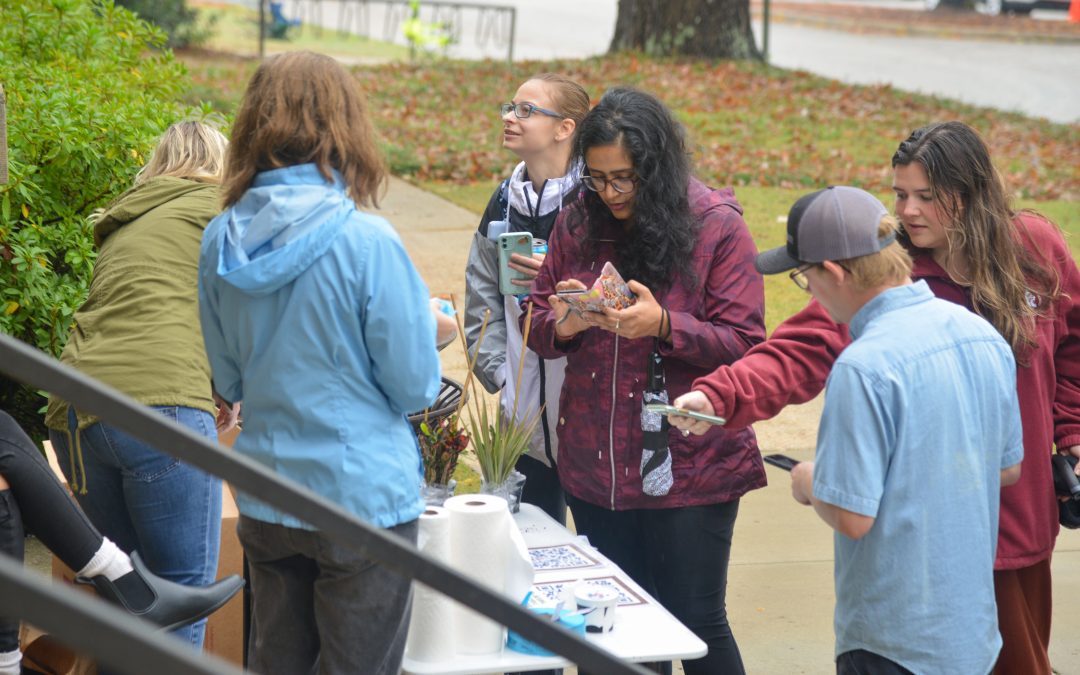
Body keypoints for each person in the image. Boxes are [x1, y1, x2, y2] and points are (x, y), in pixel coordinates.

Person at [674, 121, 1080, 674]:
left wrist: (1071, 433)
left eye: (927, 197)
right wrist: (719, 394)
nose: (908, 211)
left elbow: (1073, 344)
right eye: (899, 194)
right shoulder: (889, 274)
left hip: (1019, 519)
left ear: (972, 193)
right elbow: (798, 348)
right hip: (929, 545)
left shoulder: (1036, 247)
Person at [197, 51, 441, 675]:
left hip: (269, 494)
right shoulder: (368, 240)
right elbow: (416, 386)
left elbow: (227, 380)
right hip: (362, 501)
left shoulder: (220, 238)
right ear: (345, 126)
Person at [526, 87, 767, 675]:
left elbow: (746, 343)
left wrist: (663, 325)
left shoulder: (716, 226)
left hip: (690, 469)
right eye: (599, 178)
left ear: (657, 169)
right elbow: (537, 320)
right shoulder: (580, 217)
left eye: (625, 179)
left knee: (694, 621)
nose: (610, 194)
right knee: (617, 631)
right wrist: (564, 324)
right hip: (595, 463)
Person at [764, 185, 1024, 673]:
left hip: (892, 641)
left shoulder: (862, 367)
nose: (811, 293)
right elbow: (1007, 468)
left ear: (834, 273)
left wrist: (809, 483)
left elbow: (852, 516)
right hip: (972, 634)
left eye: (804, 278)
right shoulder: (982, 334)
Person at [45, 120, 236, 650]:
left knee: (128, 599)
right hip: (160, 409)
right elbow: (240, 312)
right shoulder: (220, 210)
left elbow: (156, 305)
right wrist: (231, 389)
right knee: (183, 599)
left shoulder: (127, 222)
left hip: (75, 416)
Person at [0, 410, 242, 675]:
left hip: (75, 422)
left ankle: (123, 581)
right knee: (179, 583)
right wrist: (229, 391)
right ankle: (126, 582)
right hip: (162, 409)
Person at [465, 73, 590, 525]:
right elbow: (480, 295)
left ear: (565, 128)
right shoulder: (503, 202)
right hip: (520, 425)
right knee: (530, 550)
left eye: (525, 110)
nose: (509, 118)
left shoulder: (596, 202)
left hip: (586, 421)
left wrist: (562, 282)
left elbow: (619, 293)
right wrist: (501, 374)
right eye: (509, 107)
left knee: (602, 553)